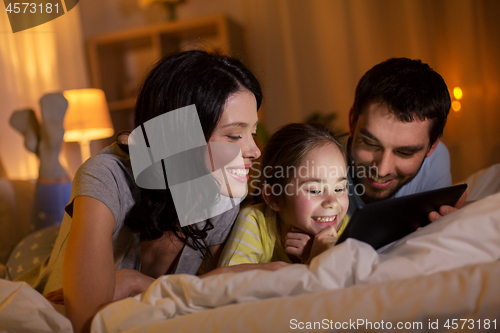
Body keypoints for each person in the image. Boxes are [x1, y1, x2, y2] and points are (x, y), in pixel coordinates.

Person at [15, 50, 287, 333]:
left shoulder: (223, 191)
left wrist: (139, 282)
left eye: (252, 133)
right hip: (44, 292)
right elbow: (88, 319)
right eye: (234, 135)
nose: (254, 151)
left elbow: (224, 293)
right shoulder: (108, 174)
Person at [345, 58, 466, 221]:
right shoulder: (314, 164)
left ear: (432, 146)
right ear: (352, 122)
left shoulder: (437, 159)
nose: (382, 170)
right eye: (370, 143)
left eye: (404, 152)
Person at [218, 123, 349, 266]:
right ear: (275, 197)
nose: (333, 202)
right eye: (315, 190)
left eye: (339, 189)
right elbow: (229, 284)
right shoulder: (255, 222)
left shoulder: (341, 226)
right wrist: (312, 263)